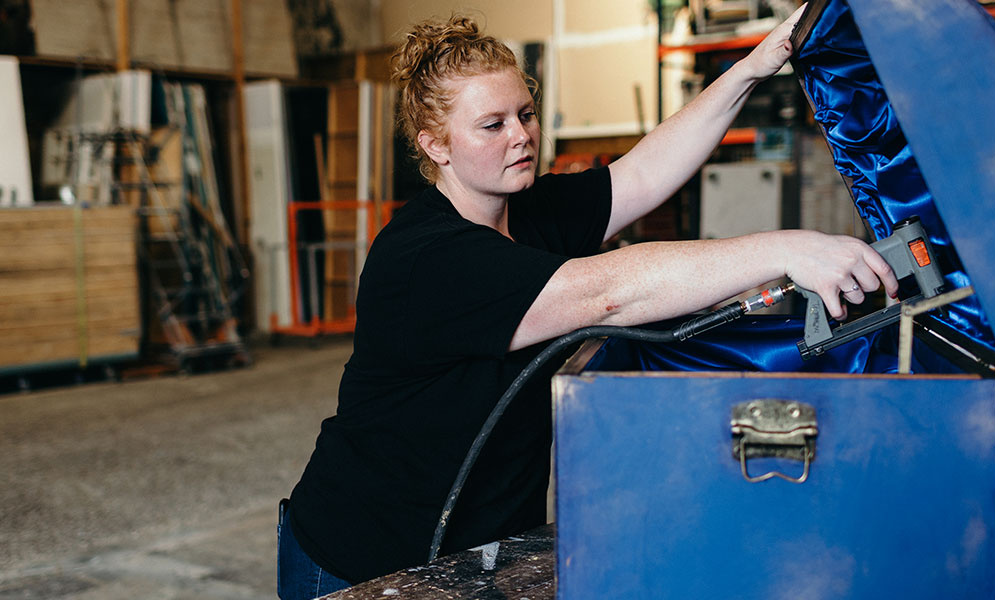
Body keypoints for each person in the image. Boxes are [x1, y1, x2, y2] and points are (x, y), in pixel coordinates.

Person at [278, 7, 898, 598]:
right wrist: (787, 248)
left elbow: (643, 175)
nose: (521, 136)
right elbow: (606, 292)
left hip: (476, 550)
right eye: (492, 125)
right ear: (436, 146)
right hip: (361, 560)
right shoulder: (425, 258)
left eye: (525, 113)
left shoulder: (531, 209)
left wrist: (755, 64)